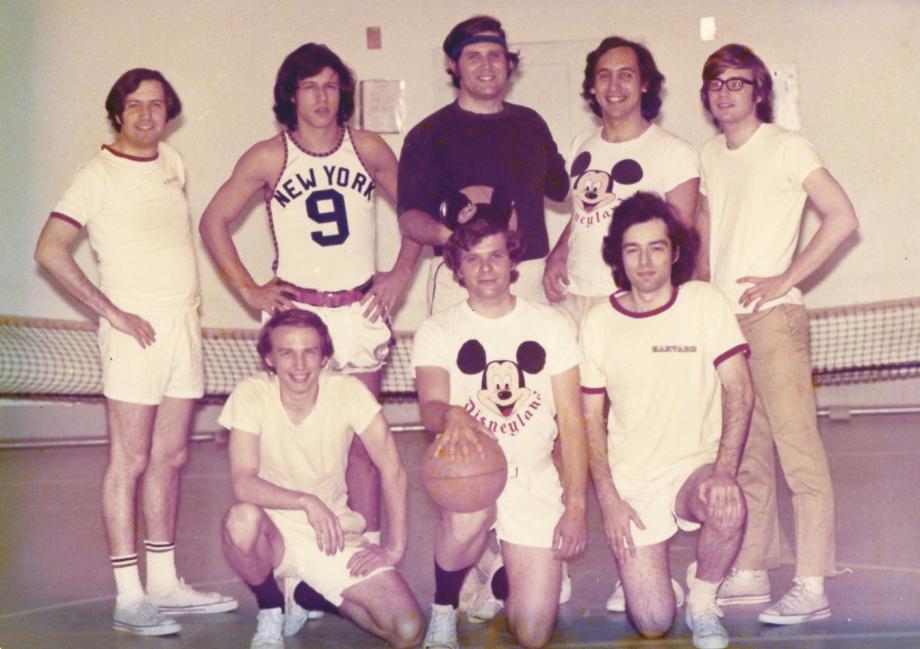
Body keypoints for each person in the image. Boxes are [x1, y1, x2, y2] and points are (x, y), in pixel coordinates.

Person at [200, 43, 421, 568]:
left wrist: (399, 274)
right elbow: (212, 222)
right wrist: (250, 291)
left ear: (342, 92)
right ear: (291, 95)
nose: (321, 97)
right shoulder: (269, 155)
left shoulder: (367, 147)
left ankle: (360, 553)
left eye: (330, 85)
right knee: (288, 450)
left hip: (359, 311)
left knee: (364, 448)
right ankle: (294, 557)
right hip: (298, 318)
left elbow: (413, 213)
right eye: (309, 86)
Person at [33, 68, 237, 636]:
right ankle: (129, 597)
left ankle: (166, 584)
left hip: (182, 331)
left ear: (168, 113)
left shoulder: (172, 162)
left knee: (171, 459)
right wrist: (112, 312)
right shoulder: (95, 175)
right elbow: (50, 249)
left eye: (157, 105)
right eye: (134, 105)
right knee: (130, 460)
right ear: (117, 112)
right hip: (132, 336)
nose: (147, 115)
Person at [696, 43, 858, 625]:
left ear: (758, 90)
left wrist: (786, 277)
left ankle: (812, 582)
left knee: (799, 456)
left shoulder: (789, 147)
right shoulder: (709, 154)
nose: (725, 92)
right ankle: (753, 568)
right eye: (716, 83)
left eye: (737, 83)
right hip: (724, 325)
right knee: (747, 457)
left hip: (775, 322)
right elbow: (708, 235)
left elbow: (842, 216)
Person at [581, 192, 754, 649]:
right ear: (618, 257)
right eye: (632, 249)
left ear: (675, 252)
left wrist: (723, 472)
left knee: (726, 501)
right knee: (654, 621)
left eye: (656, 247)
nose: (645, 261)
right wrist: (610, 501)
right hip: (634, 483)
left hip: (692, 467)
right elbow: (589, 423)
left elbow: (739, 389)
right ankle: (659, 583)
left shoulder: (703, 303)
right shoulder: (598, 322)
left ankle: (702, 597)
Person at [412, 213, 588, 649]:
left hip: (533, 476)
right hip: (472, 472)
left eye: (496, 256)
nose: (486, 268)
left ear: (514, 262)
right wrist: (449, 413)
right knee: (468, 514)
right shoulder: (438, 330)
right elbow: (431, 406)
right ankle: (443, 609)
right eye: (473, 259)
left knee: (531, 635)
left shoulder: (552, 324)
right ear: (458, 269)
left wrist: (577, 507)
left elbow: (572, 421)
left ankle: (498, 575)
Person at [219, 309, 423, 649]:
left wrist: (393, 548)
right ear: (269, 358)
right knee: (241, 519)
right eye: (287, 352)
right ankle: (271, 608)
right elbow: (243, 482)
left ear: (324, 356)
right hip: (274, 531)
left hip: (331, 534)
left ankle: (308, 595)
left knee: (407, 631)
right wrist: (305, 501)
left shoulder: (348, 392)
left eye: (309, 351)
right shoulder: (251, 393)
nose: (299, 365)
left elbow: (393, 469)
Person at [397, 15, 569, 315]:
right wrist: (455, 239)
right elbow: (409, 218)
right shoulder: (427, 134)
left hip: (528, 278)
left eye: (495, 56)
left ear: (509, 64)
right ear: (454, 65)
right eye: (473, 57)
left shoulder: (530, 123)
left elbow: (568, 192)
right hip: (460, 276)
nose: (486, 66)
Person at [543, 36, 699, 328]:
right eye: (604, 76)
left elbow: (682, 244)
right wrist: (559, 252)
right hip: (573, 296)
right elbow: (584, 212)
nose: (614, 86)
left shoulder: (674, 152)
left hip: (631, 300)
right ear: (592, 86)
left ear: (645, 84)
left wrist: (655, 310)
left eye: (626, 75)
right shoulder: (581, 144)